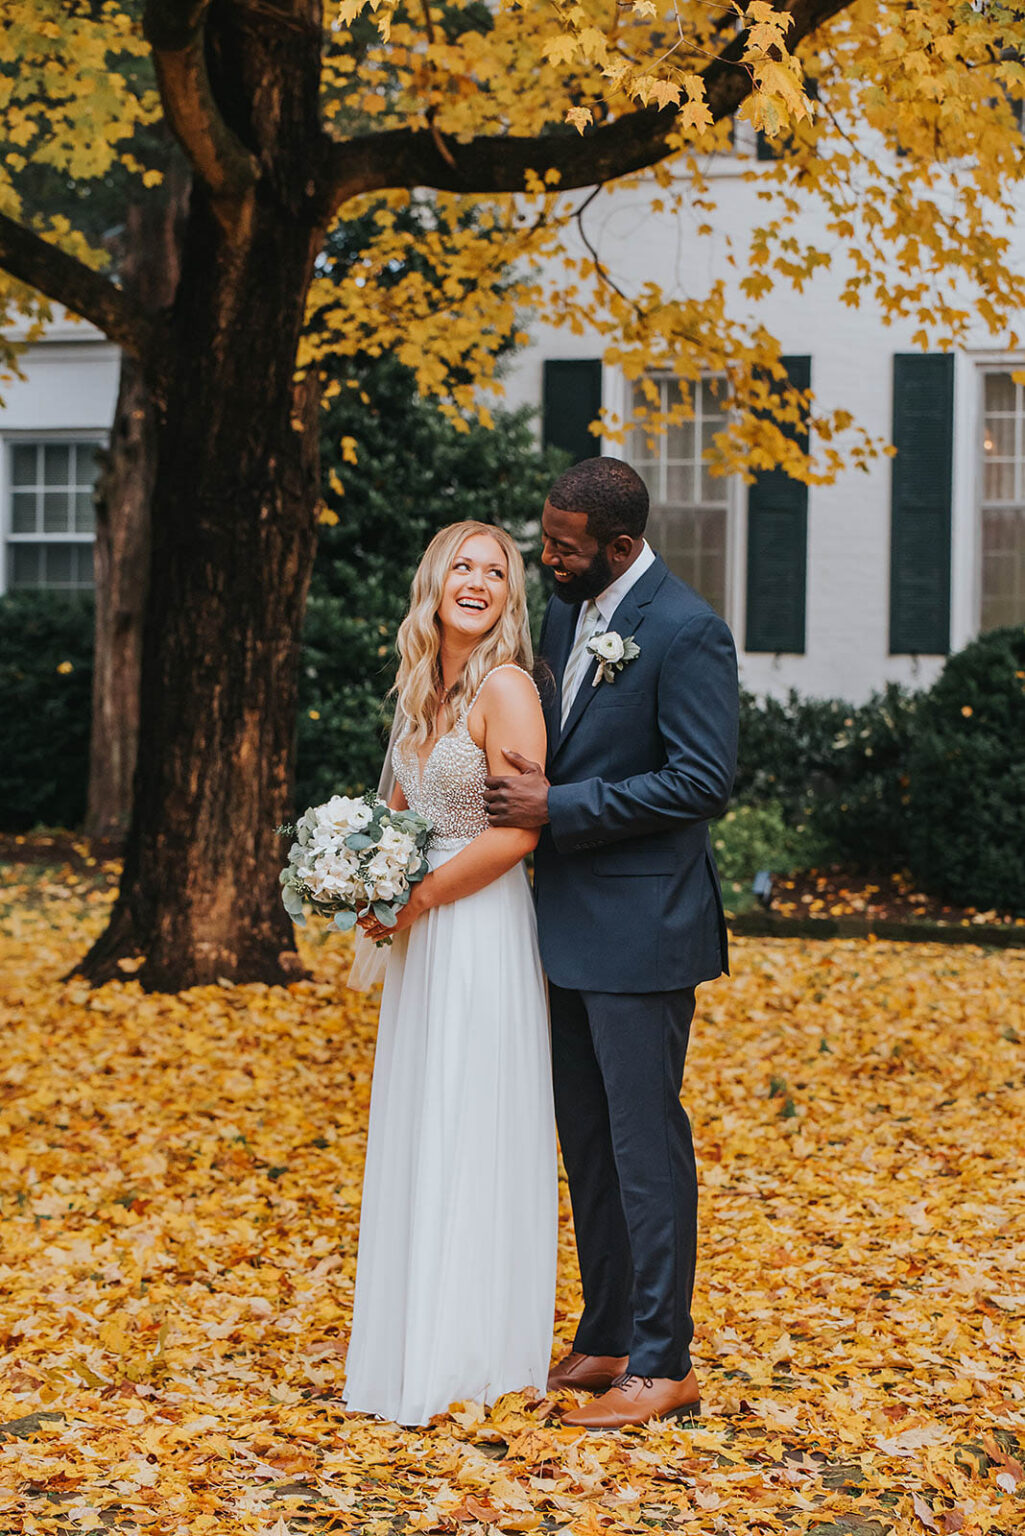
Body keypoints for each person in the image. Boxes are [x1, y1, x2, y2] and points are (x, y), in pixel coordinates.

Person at [484, 457, 739, 1430]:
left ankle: (663, 1361)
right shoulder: (564, 614)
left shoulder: (686, 631)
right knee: (585, 1142)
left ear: (620, 548)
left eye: (563, 546)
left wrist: (562, 806)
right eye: (544, 538)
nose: (544, 557)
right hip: (561, 926)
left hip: (643, 931)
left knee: (643, 1145)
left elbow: (700, 781)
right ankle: (605, 1333)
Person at [342, 520, 558, 1428]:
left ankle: (470, 1354)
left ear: (510, 596)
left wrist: (419, 898)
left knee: (471, 1119)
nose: (477, 582)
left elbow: (517, 831)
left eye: (495, 572)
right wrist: (359, 875)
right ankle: (408, 1343)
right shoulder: (416, 688)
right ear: (434, 583)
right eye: (461, 567)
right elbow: (391, 815)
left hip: (475, 927)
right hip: (421, 934)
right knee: (421, 1118)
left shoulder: (507, 688)